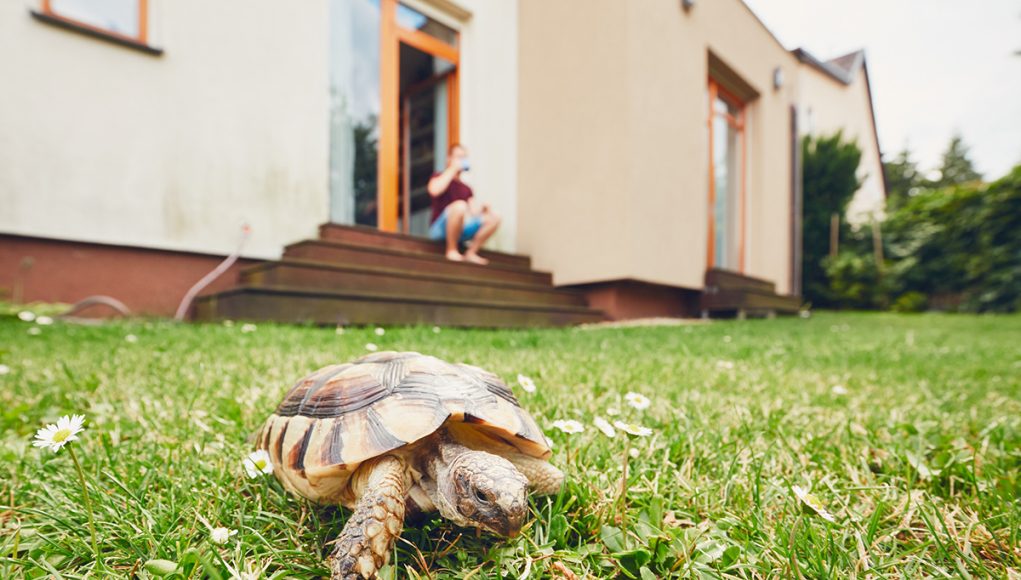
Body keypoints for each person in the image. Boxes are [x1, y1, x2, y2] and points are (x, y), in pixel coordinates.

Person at [427, 144, 501, 264]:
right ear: (449, 158)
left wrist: (483, 209)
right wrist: (452, 169)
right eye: (459, 157)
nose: (462, 160)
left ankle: (471, 253)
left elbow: (473, 212)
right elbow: (434, 190)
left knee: (495, 216)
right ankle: (451, 250)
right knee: (460, 206)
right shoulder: (438, 176)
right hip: (438, 229)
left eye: (464, 157)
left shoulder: (466, 189)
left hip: (460, 229)